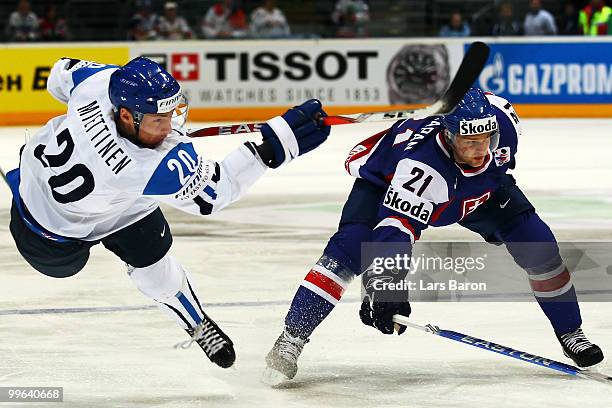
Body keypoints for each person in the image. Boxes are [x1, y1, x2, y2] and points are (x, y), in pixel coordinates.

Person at [262, 88, 604, 385]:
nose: (479, 149)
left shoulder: (502, 123)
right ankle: (291, 338)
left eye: (485, 139)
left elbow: (477, 98)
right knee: (345, 256)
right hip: (383, 188)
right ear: (449, 135)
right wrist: (386, 286)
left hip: (478, 194)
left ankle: (570, 331)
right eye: (469, 142)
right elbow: (396, 232)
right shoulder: (421, 168)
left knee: (541, 248)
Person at [6, 56, 330, 369]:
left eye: (169, 115)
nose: (168, 127)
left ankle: (196, 322)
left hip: (105, 198)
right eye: (157, 120)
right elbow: (216, 192)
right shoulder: (145, 166)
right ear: (124, 116)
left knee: (153, 262)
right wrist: (276, 148)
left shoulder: (98, 83)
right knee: (66, 269)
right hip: (50, 232)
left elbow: (59, 74)